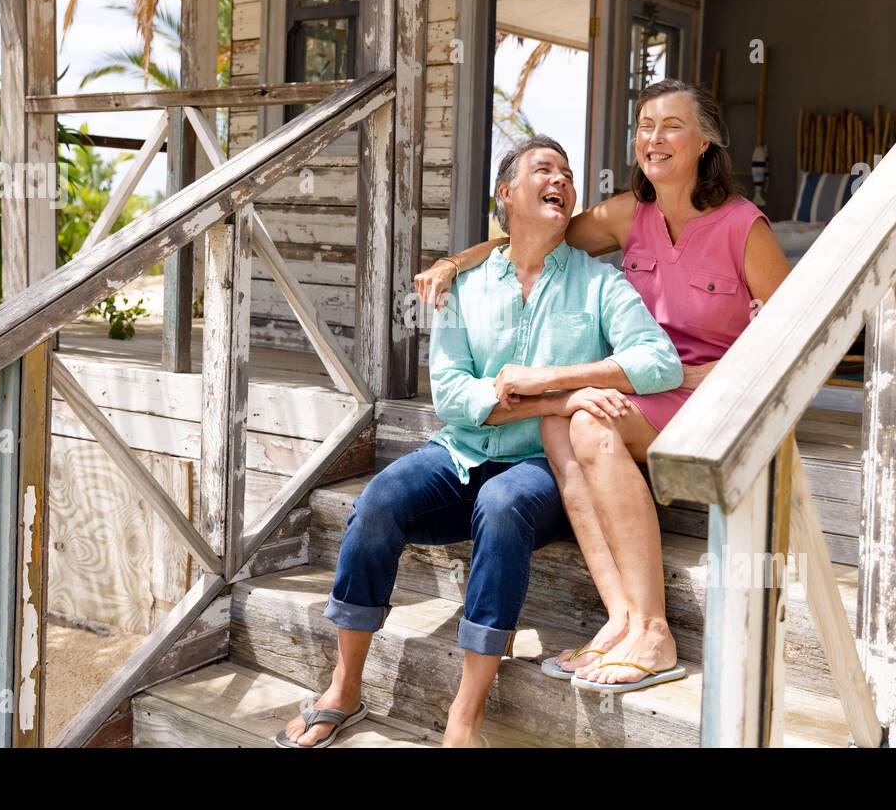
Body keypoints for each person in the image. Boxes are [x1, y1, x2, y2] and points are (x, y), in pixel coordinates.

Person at [277, 135, 684, 748]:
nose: (563, 181)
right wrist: (557, 402)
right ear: (506, 195)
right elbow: (452, 395)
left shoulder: (599, 284)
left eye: (569, 175)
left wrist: (560, 383)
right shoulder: (465, 287)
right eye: (545, 170)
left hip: (543, 465)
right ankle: (345, 685)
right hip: (463, 451)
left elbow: (661, 364)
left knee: (502, 507)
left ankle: (464, 718)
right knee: (381, 498)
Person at [413, 80, 792, 691]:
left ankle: (654, 627)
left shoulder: (743, 227)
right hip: (650, 385)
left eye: (671, 126)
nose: (654, 138)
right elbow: (531, 237)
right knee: (560, 418)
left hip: (718, 394)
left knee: (585, 418)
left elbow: (797, 336)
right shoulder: (626, 215)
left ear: (704, 142)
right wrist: (454, 264)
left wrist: (717, 374)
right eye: (645, 125)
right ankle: (621, 618)